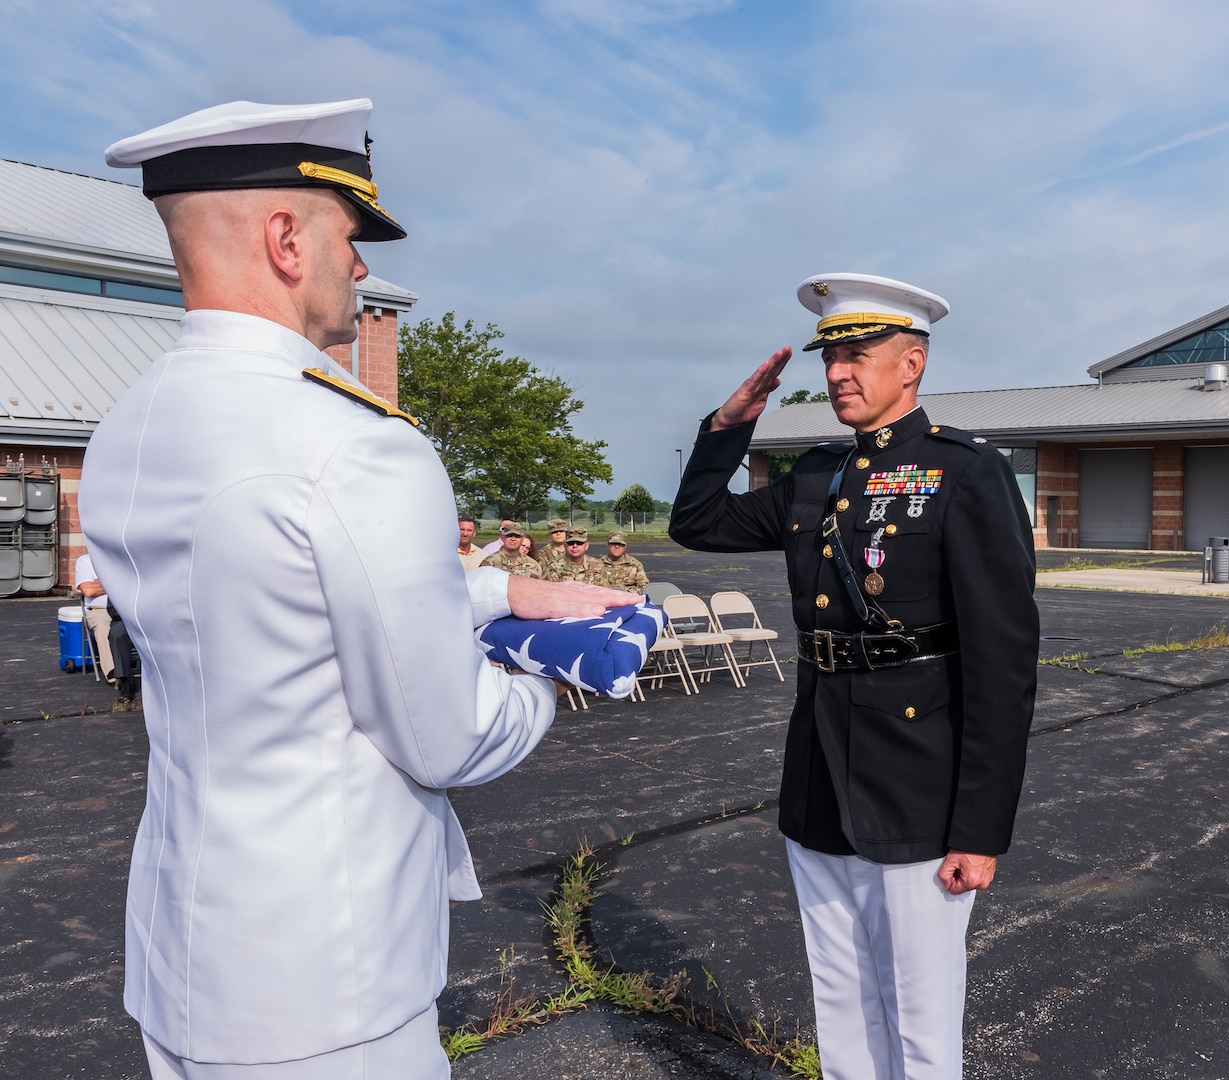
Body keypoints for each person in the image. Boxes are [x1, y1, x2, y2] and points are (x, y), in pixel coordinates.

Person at [80, 99, 635, 1080]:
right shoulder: (356, 444)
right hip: (327, 993)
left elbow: (269, 612)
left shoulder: (131, 425)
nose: (363, 266)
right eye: (349, 234)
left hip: (183, 962)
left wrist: (502, 588)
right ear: (287, 239)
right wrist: (556, 668)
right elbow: (447, 731)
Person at [669, 273, 1038, 1080]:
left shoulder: (964, 472)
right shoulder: (814, 475)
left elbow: (1003, 659)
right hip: (820, 769)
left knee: (918, 999)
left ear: (912, 364)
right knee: (839, 989)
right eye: (830, 357)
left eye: (858, 354)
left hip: (918, 774)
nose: (838, 372)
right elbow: (697, 523)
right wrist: (728, 427)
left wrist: (980, 826)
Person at [73, 549, 116, 683]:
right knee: (103, 627)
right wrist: (116, 583)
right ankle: (113, 672)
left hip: (126, 609)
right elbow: (88, 590)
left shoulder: (122, 558)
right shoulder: (85, 561)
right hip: (99, 610)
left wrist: (100, 582)